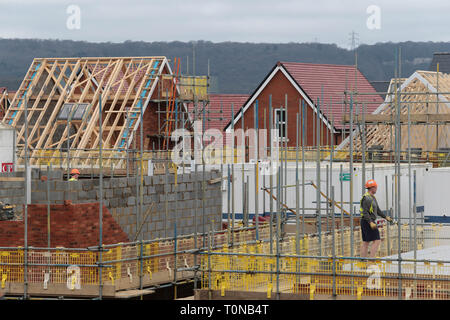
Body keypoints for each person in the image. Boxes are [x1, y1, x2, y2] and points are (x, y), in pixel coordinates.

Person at [359, 179, 392, 258]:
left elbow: (378, 210)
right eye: (376, 187)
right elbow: (365, 212)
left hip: (368, 221)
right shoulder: (367, 198)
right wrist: (370, 222)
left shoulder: (372, 197)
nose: (376, 189)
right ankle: (371, 260)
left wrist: (385, 217)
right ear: (372, 188)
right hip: (368, 222)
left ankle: (363, 261)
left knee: (366, 242)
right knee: (377, 240)